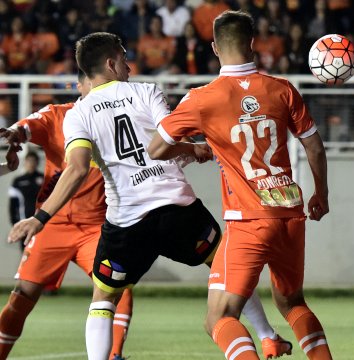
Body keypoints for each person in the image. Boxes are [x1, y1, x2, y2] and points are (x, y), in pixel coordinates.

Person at [7, 32, 289, 360]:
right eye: (124, 58)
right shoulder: (145, 91)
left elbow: (77, 169)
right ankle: (268, 336)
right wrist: (194, 149)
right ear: (111, 63)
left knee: (103, 299)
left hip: (127, 222)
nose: (129, 65)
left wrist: (39, 218)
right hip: (177, 209)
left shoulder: (78, 115)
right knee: (227, 269)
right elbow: (165, 142)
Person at [148, 10, 333, 360]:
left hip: (247, 220)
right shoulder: (282, 89)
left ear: (215, 47)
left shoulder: (202, 98)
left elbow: (156, 149)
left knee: (219, 317)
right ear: (252, 44)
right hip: (290, 215)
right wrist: (320, 194)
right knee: (293, 303)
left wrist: (197, 146)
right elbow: (314, 145)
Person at [0, 72, 135, 360]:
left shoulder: (120, 116)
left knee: (117, 286)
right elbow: (26, 127)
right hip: (53, 223)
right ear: (81, 85)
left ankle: (114, 356)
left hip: (97, 226)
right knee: (23, 295)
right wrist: (14, 134)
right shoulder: (56, 116)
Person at [8, 151, 44, 251]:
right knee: (26, 254)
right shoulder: (18, 181)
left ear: (37, 162)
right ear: (25, 162)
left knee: (40, 255)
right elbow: (12, 205)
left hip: (41, 224)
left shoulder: (44, 179)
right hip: (24, 225)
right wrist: (15, 224)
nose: (31, 163)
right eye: (29, 161)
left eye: (33, 161)